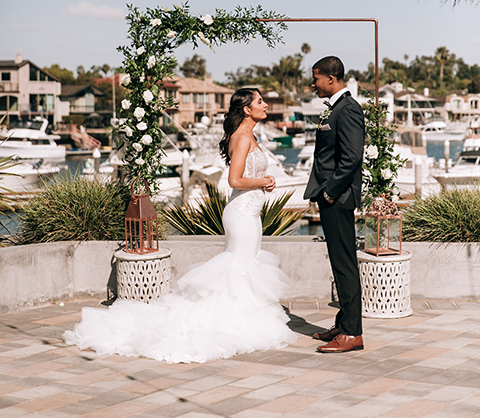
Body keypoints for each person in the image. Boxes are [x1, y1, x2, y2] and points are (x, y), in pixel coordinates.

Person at [64, 88, 296, 363]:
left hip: (250, 213)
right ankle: (228, 324)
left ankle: (237, 320)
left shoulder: (251, 135)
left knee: (245, 267)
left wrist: (261, 184)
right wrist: (263, 182)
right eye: (260, 101)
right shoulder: (242, 137)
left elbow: (246, 177)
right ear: (246, 109)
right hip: (242, 215)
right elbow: (234, 180)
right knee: (239, 268)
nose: (266, 105)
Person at [304, 56, 365, 353]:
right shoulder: (335, 108)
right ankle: (343, 323)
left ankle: (353, 334)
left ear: (331, 78)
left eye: (315, 78)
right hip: (331, 196)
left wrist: (330, 192)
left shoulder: (349, 109)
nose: (312, 84)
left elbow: (352, 157)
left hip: (338, 198)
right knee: (339, 262)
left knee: (345, 264)